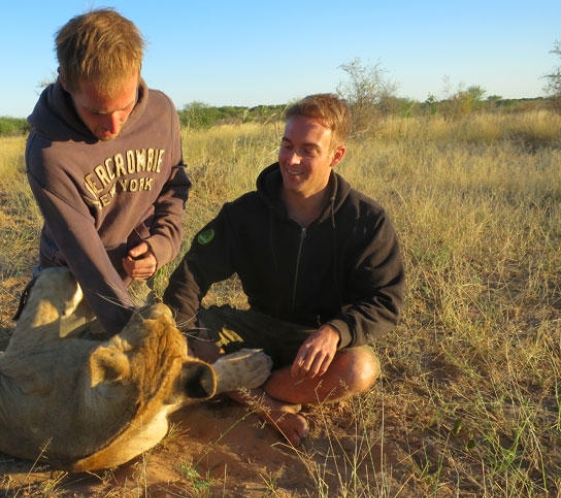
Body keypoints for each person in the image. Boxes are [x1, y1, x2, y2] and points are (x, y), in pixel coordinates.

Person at [163, 93, 404, 446]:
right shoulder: (244, 213)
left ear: (336, 156)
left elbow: (384, 300)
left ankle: (232, 385)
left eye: (308, 150)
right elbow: (190, 276)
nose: (291, 160)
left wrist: (335, 332)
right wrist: (194, 335)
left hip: (312, 342)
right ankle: (267, 403)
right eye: (287, 145)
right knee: (175, 333)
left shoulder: (366, 221)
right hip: (254, 327)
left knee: (360, 369)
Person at [24, 8, 190, 335]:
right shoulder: (49, 152)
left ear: (138, 70)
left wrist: (161, 245)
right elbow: (84, 257)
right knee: (55, 376)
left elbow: (174, 185)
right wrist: (131, 333)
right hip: (71, 278)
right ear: (65, 80)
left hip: (136, 271)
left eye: (125, 108)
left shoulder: (162, 112)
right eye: (97, 111)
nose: (112, 126)